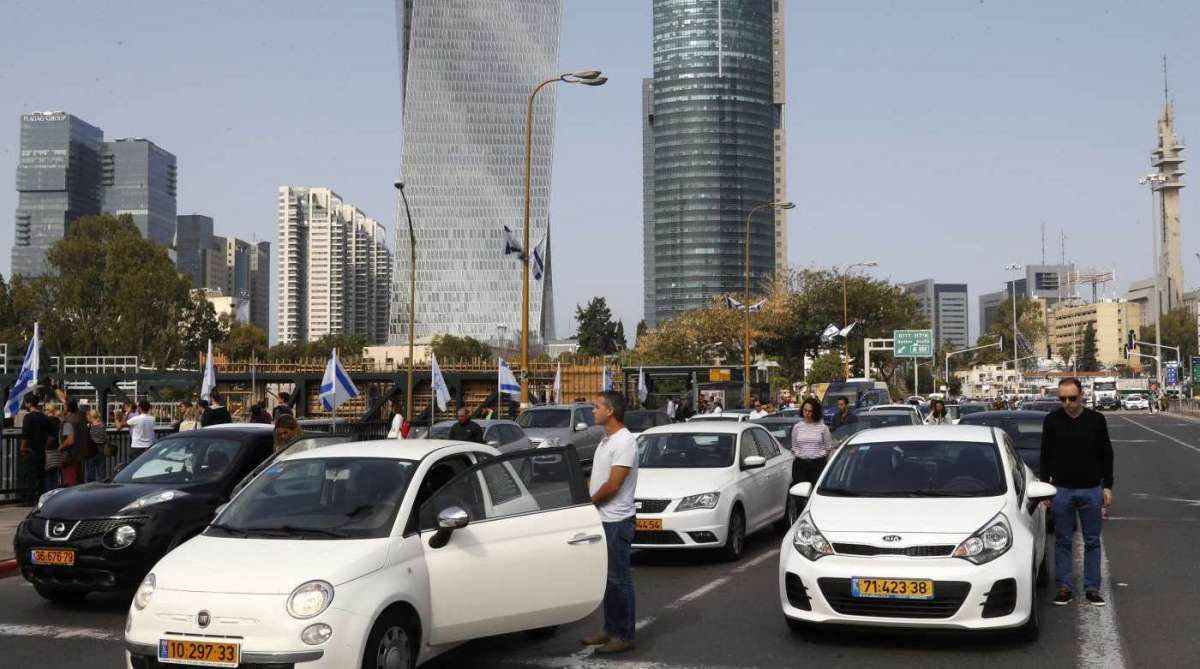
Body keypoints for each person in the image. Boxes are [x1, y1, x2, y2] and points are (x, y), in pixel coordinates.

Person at [1040, 377, 1114, 607]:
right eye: (1062, 398)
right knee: (1062, 540)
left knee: (1092, 541)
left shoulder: (1096, 420)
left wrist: (1108, 486)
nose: (1067, 403)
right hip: (1061, 490)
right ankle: (1064, 588)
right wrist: (1045, 488)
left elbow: (1106, 455)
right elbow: (1045, 456)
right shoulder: (1052, 421)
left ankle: (1092, 588)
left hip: (1092, 490)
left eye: (1072, 398)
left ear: (1081, 395)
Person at [582, 391, 638, 655]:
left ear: (610, 411)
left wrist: (589, 502)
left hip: (617, 520)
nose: (593, 411)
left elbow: (614, 484)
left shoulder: (624, 442)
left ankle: (624, 634)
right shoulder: (606, 440)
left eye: (596, 407)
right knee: (608, 579)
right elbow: (599, 477)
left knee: (619, 579)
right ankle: (610, 628)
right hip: (603, 519)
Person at [789, 398, 834, 503]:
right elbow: (794, 446)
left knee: (815, 495)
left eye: (810, 411)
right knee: (800, 496)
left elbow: (828, 447)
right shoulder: (797, 427)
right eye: (805, 410)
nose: (807, 413)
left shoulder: (823, 428)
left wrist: (823, 462)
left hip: (817, 465)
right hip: (800, 465)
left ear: (815, 412)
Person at [19, 396, 51, 502]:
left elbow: (25, 435)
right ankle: (41, 498)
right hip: (41, 450)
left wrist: (23, 448)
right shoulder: (44, 417)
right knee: (41, 475)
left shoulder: (28, 417)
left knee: (30, 475)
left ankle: (29, 498)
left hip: (30, 450)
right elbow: (51, 434)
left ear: (28, 404)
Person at [59, 398, 93, 486]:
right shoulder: (81, 417)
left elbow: (70, 440)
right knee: (79, 479)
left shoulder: (68, 422)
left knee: (71, 481)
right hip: (81, 453)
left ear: (67, 407)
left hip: (70, 455)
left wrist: (60, 447)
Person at [87, 409, 109, 481]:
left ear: (91, 416)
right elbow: (105, 437)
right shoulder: (102, 425)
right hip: (101, 448)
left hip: (92, 449)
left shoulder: (91, 426)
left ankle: (91, 487)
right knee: (101, 470)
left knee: (91, 470)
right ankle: (102, 486)